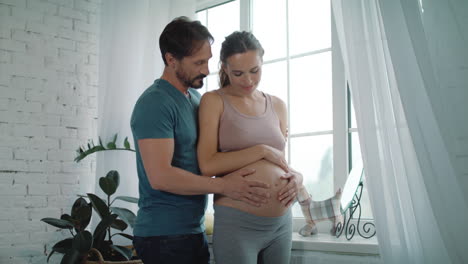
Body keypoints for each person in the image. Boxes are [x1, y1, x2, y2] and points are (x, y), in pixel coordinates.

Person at [130, 17, 276, 264]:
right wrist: (224, 186)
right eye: (198, 63)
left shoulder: (197, 100)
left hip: (191, 231)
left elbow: (221, 154)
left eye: (208, 60)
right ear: (170, 60)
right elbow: (160, 176)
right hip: (163, 235)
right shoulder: (155, 103)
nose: (207, 70)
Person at [197, 31, 303, 264]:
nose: (248, 80)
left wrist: (297, 176)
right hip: (238, 223)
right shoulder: (213, 101)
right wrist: (261, 150)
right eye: (238, 73)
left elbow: (280, 161)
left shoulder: (277, 105)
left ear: (262, 62)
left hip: (281, 224)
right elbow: (207, 165)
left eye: (255, 71)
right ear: (224, 68)